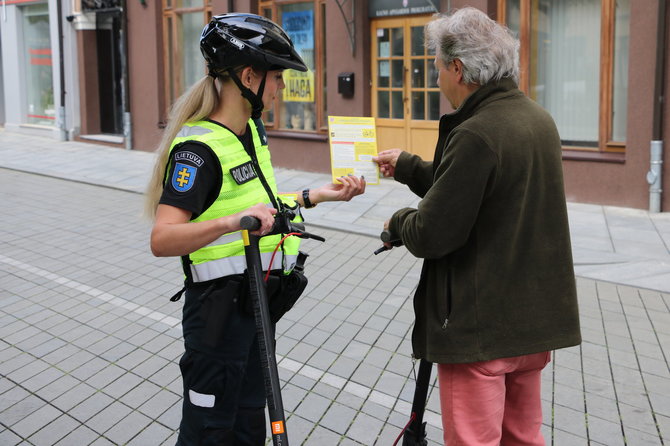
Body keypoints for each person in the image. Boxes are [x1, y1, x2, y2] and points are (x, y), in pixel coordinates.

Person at [145, 13, 365, 446]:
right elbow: (162, 238)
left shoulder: (250, 133)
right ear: (249, 76)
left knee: (248, 425)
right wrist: (230, 224)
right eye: (278, 77)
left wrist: (317, 195)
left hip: (255, 306)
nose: (282, 87)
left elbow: (258, 208)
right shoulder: (197, 151)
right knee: (209, 433)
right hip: (216, 316)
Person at [374, 8, 581, 446]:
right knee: (523, 439)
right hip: (532, 326)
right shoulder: (537, 121)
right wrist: (409, 167)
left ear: (458, 68)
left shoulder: (477, 132)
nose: (436, 81)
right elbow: (477, 189)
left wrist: (397, 223)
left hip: (481, 327)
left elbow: (434, 231)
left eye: (437, 69)